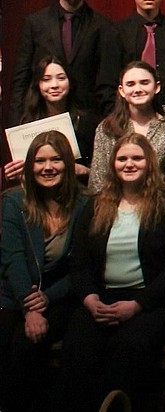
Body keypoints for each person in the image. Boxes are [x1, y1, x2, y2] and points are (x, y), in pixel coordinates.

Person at [61, 132, 165, 410]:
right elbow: (80, 264)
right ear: (113, 164)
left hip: (153, 303)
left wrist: (137, 305)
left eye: (137, 158)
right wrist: (90, 300)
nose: (129, 164)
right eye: (122, 158)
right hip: (100, 300)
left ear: (150, 163)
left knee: (130, 346)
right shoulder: (95, 205)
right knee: (79, 346)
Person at [0, 131, 89, 412]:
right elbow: (12, 258)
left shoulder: (86, 205)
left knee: (28, 346)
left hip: (60, 295)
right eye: (39, 160)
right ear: (29, 166)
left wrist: (47, 299)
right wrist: (31, 310)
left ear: (68, 164)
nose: (47, 167)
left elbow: (82, 266)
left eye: (56, 159)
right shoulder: (14, 202)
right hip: (16, 292)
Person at [8, 0, 119, 118]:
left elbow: (106, 86)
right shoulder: (35, 23)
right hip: (42, 118)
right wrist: (15, 127)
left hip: (87, 122)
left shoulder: (103, 27)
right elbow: (21, 79)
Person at [91, 61, 165, 195]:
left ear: (156, 87)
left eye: (144, 82)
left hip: (160, 208)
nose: (138, 89)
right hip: (114, 207)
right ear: (121, 91)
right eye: (130, 84)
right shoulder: (107, 129)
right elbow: (98, 181)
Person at [4, 55, 99, 182]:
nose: (54, 85)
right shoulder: (26, 123)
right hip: (38, 196)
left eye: (61, 78)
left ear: (70, 82)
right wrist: (13, 174)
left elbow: (103, 173)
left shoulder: (87, 122)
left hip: (78, 191)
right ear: (38, 84)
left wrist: (85, 171)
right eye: (46, 79)